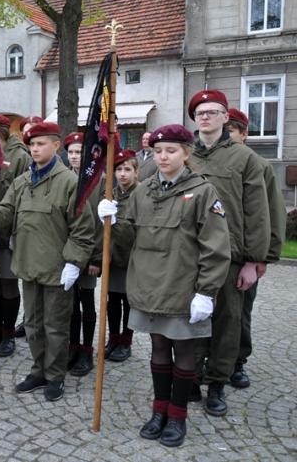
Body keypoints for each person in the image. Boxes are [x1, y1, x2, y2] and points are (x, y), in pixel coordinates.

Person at [102, 124, 231, 447]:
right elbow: (129, 238)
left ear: (186, 154)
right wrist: (112, 221)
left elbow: (215, 247)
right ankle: (159, 411)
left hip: (182, 286)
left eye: (171, 151)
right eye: (158, 151)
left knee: (184, 349)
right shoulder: (143, 191)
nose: (163, 157)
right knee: (158, 347)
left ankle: (177, 416)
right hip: (149, 286)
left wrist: (206, 292)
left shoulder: (202, 191)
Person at [0, 121, 94, 401]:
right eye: (32, 144)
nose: (35, 149)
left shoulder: (69, 183)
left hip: (56, 269)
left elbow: (83, 229)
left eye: (41, 143)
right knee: (33, 325)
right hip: (28, 266)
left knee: (55, 326)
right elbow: (5, 212)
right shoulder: (23, 181)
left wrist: (74, 262)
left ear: (56, 145)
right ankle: (39, 369)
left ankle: (55, 375)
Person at [188, 90, 270, 417]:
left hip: (230, 256)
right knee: (191, 320)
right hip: (188, 255)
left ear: (225, 117)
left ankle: (217, 383)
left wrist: (254, 260)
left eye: (213, 111)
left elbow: (257, 213)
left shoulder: (245, 158)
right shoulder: (183, 154)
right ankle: (191, 375)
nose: (206, 117)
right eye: (200, 112)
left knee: (227, 323)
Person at [225, 108, 286, 389]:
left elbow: (272, 213)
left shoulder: (258, 165)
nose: (225, 137)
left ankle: (237, 361)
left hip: (244, 254)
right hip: (213, 253)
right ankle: (209, 360)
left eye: (230, 132)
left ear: (244, 134)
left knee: (239, 313)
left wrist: (262, 258)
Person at [0, 113, 30, 358]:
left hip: (8, 230)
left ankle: (8, 334)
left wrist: (16, 231)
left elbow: (23, 195)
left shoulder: (20, 156)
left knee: (8, 283)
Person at [64, 131, 102, 377]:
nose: (75, 156)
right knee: (70, 304)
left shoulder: (99, 180)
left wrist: (96, 257)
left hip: (89, 253)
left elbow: (100, 225)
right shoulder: (65, 178)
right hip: (68, 252)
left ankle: (87, 349)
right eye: (71, 152)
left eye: (79, 152)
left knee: (86, 301)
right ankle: (73, 346)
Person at [104, 149, 138, 362]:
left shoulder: (140, 194)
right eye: (118, 169)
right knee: (113, 300)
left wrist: (116, 221)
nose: (123, 174)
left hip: (132, 258)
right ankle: (113, 337)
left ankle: (126, 341)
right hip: (113, 256)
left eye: (127, 169)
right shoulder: (110, 193)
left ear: (136, 172)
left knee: (128, 301)